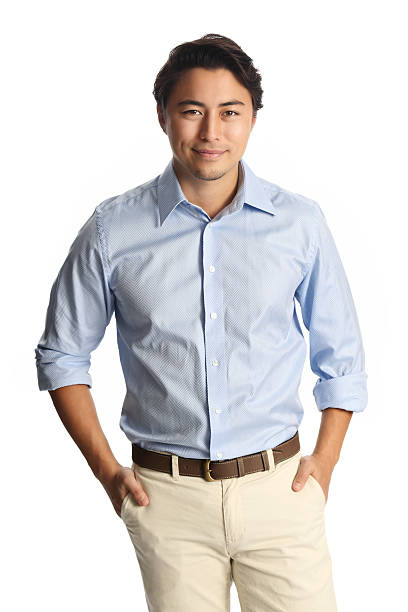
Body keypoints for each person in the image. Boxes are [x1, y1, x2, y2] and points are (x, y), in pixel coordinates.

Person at [34, 33, 368, 612]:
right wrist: (108, 473)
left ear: (253, 119)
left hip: (280, 490)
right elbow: (62, 357)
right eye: (192, 111)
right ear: (163, 116)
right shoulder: (113, 231)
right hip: (167, 499)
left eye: (230, 112)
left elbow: (342, 357)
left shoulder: (299, 224)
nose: (211, 132)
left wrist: (325, 465)